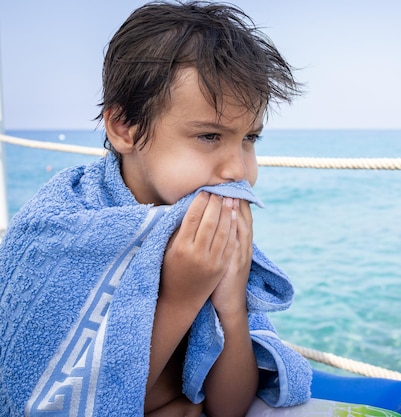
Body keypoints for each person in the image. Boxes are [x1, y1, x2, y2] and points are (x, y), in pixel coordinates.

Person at [0, 2, 311, 416]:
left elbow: (229, 407)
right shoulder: (62, 231)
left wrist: (231, 302)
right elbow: (65, 404)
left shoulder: (202, 226)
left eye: (249, 137)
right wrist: (181, 297)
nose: (238, 169)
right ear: (124, 127)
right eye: (208, 136)